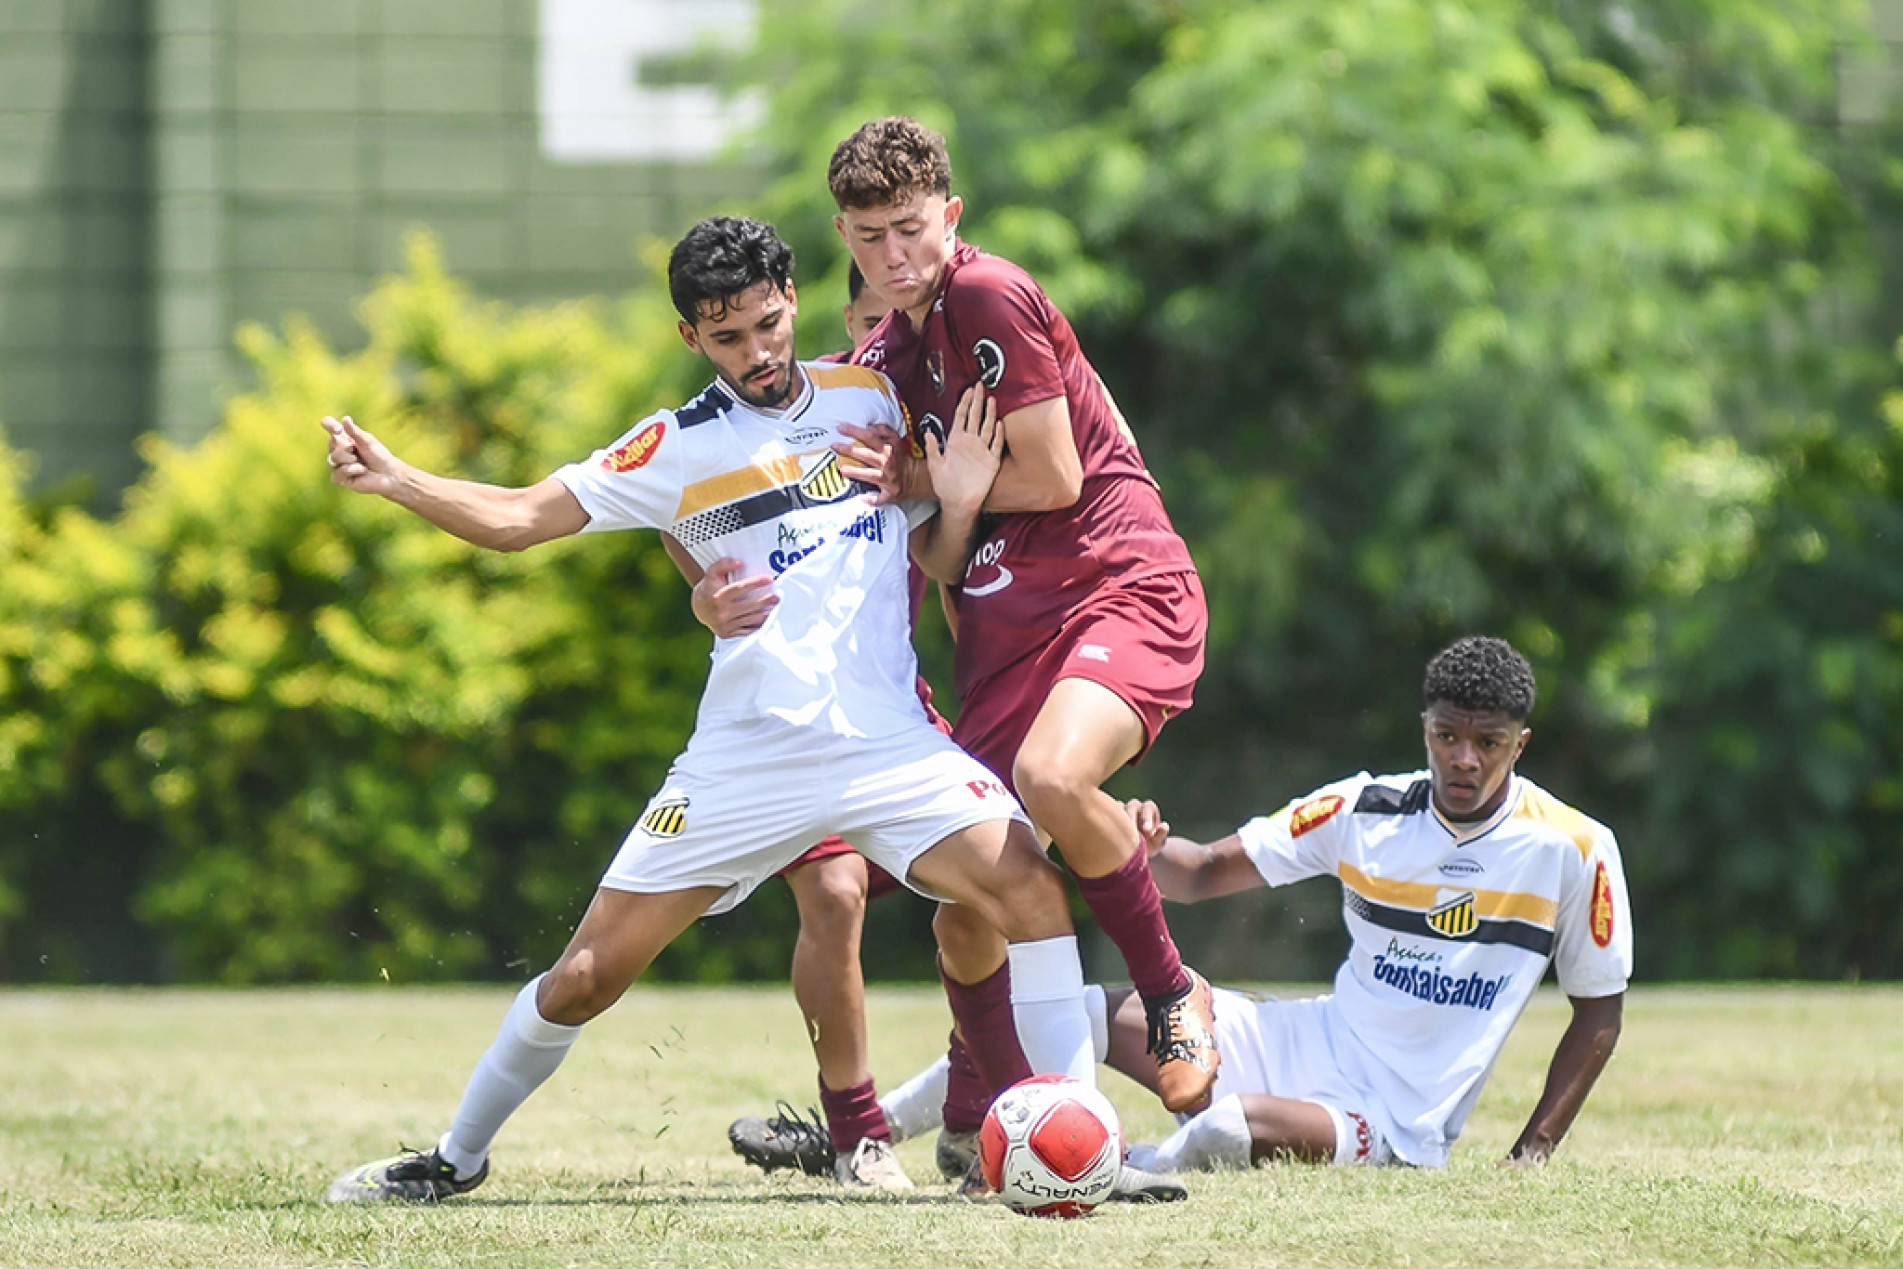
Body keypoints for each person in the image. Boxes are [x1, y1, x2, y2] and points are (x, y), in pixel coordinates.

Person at [321, 214, 1101, 1204]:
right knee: (585, 978)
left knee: (1029, 890)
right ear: (692, 336)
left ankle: (1087, 1146)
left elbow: (962, 504)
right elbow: (519, 519)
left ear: (792, 302)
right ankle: (452, 1159)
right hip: (744, 763)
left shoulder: (871, 400)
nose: (758, 352)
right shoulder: (674, 444)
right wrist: (397, 480)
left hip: (885, 748)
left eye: (769, 325)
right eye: (729, 338)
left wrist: (957, 495)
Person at [827, 117, 1219, 1131]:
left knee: (1052, 775)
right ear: (844, 236)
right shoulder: (882, 360)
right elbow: (938, 556)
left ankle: (1171, 996)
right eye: (869, 237)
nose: (892, 255)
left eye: (909, 228)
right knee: (967, 912)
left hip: (1115, 583)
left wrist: (938, 477)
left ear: (950, 216)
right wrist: (947, 498)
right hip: (1005, 632)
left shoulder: (985, 292)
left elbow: (1054, 475)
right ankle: (996, 1122)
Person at [1074, 638, 1632, 1169]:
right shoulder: (1361, 809)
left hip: (1388, 1118)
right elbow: (1200, 872)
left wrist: (1532, 1152)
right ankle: (1025, 1139)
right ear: (1425, 729)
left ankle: (1119, 1166)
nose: (1464, 758)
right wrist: (1131, 841)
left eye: (1488, 743)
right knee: (1082, 1010)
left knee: (1232, 1127)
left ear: (1519, 744)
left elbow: (1600, 1010)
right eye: (1446, 736)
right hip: (1303, 1041)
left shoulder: (1574, 846)